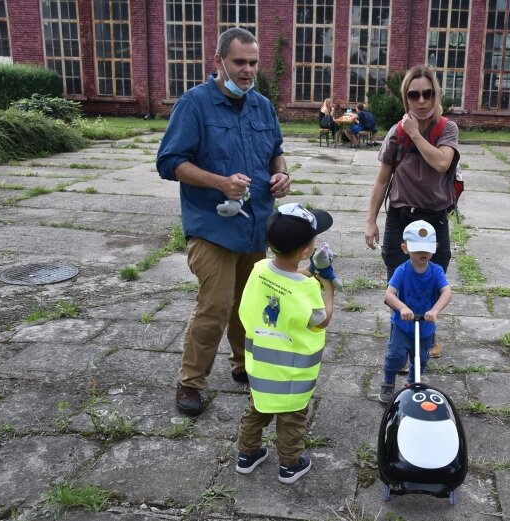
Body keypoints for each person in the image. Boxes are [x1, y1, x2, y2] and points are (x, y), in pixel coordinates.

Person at [156, 27, 291, 416]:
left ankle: (243, 365)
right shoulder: (194, 104)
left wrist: (282, 175)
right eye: (239, 62)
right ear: (218, 62)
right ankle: (191, 382)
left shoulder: (262, 106)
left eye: (253, 63)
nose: (248, 70)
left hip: (256, 225)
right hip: (211, 225)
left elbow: (276, 152)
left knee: (248, 305)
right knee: (215, 304)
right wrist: (219, 183)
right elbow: (169, 162)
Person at [235, 203, 336, 484]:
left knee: (257, 409)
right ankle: (290, 465)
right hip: (292, 373)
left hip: (260, 367)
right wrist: (328, 285)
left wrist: (307, 270)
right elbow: (321, 319)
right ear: (306, 249)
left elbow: (283, 276)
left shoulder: (258, 269)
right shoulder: (305, 289)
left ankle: (246, 455)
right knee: (292, 418)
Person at [364, 65, 459, 359]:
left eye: (427, 94)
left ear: (435, 95)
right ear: (406, 97)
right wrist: (371, 221)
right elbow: (382, 179)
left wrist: (416, 134)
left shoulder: (447, 129)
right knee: (398, 281)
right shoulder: (396, 132)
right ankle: (401, 343)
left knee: (432, 280)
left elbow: (443, 163)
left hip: (433, 218)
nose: (421, 101)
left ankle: (428, 335)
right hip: (401, 218)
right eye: (414, 94)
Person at [379, 220, 451, 403]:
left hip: (426, 328)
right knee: (395, 356)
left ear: (434, 247)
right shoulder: (402, 271)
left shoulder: (436, 271)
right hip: (403, 326)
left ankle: (412, 384)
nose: (423, 252)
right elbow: (389, 294)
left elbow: (446, 292)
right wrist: (402, 307)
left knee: (421, 360)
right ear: (405, 248)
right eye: (417, 248)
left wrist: (435, 310)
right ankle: (388, 382)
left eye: (427, 248)